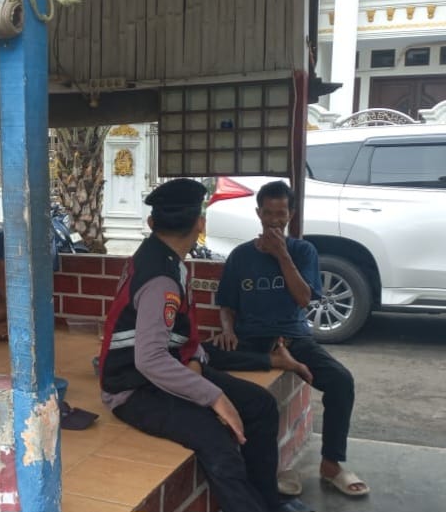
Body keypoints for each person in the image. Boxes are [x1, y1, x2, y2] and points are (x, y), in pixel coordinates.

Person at [99, 178, 309, 512]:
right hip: (134, 388)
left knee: (260, 404)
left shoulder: (163, 257)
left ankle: (267, 503)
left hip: (171, 368)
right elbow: (149, 359)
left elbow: (177, 334)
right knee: (217, 439)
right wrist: (214, 397)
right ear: (200, 223)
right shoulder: (161, 278)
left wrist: (196, 362)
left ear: (151, 223)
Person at [205, 180, 368, 498]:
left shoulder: (303, 251)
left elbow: (304, 298)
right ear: (258, 213)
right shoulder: (240, 256)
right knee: (203, 355)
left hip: (293, 339)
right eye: (268, 214)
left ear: (290, 214)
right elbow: (227, 304)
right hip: (250, 339)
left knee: (341, 381)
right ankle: (275, 361)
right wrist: (227, 330)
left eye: (281, 214)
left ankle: (331, 464)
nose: (274, 221)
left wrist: (282, 255)